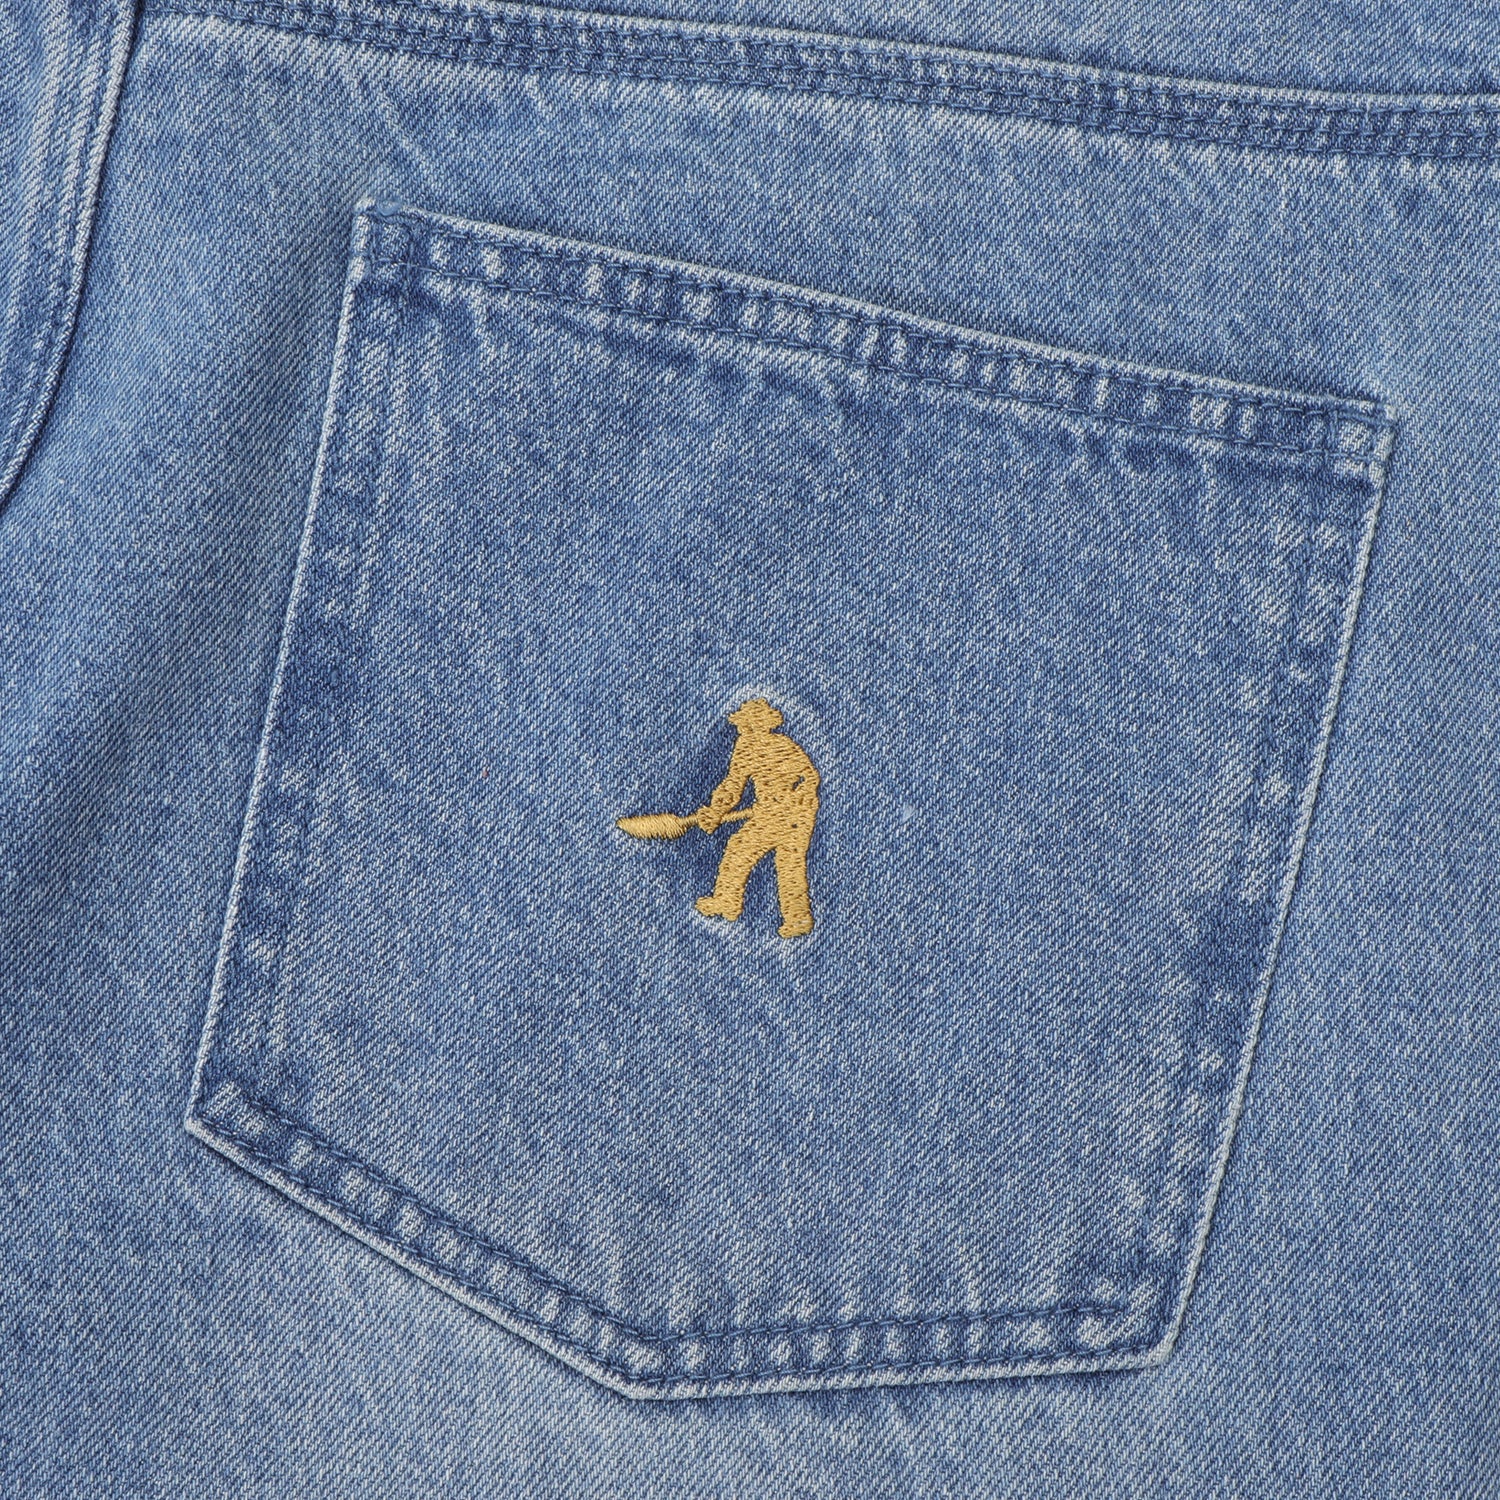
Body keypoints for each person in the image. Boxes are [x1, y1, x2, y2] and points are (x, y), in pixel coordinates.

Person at [693, 700, 819, 938]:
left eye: (748, 725)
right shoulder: (755, 747)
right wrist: (715, 812)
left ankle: (794, 918)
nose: (744, 729)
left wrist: (799, 797)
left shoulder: (775, 745)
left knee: (778, 860)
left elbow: (809, 778)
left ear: (759, 725)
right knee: (754, 852)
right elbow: (732, 787)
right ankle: (730, 902)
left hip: (791, 815)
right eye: (744, 725)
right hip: (774, 812)